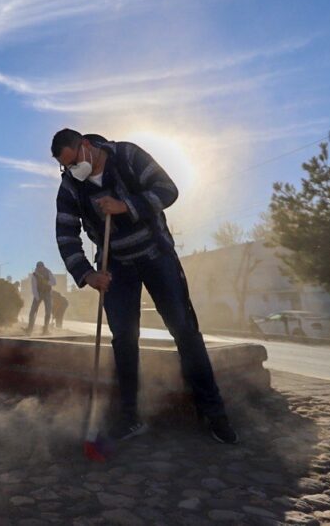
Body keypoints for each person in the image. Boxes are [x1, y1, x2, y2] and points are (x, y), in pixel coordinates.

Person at [51, 128, 238, 445]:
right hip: (115, 265)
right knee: (124, 338)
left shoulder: (126, 155)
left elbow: (168, 189)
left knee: (183, 329)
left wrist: (126, 205)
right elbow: (66, 235)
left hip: (156, 254)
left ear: (85, 146)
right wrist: (87, 274)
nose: (73, 170)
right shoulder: (70, 186)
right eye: (66, 167)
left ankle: (212, 412)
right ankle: (129, 417)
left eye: (74, 162)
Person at [27, 261, 56, 335]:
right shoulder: (34, 275)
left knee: (48, 312)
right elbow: (34, 287)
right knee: (33, 311)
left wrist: (47, 282)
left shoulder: (48, 272)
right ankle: (29, 329)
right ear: (37, 267)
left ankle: (45, 329)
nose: (40, 269)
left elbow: (54, 282)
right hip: (38, 294)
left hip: (47, 294)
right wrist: (37, 297)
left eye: (41, 267)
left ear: (43, 267)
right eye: (38, 267)